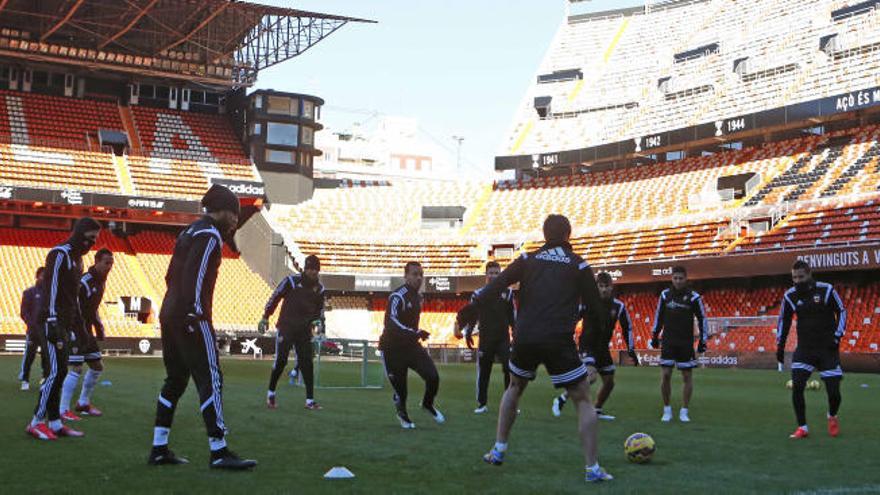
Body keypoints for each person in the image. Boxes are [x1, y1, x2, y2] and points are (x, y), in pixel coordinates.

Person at [457, 214, 613, 483]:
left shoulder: (528, 259)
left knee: (514, 388)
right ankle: (592, 468)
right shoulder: (578, 265)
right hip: (558, 339)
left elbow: (497, 283)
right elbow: (596, 311)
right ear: (568, 235)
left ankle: (498, 450)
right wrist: (590, 352)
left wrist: (472, 306)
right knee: (583, 399)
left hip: (526, 336)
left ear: (544, 234)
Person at [148, 184, 256, 469]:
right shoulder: (210, 236)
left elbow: (171, 275)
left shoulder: (188, 232)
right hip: (191, 317)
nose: (235, 219)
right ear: (219, 210)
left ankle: (159, 447)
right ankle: (218, 450)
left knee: (175, 380)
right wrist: (195, 311)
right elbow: (195, 277)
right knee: (211, 379)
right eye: (233, 213)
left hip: (169, 313)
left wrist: (177, 309)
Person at [26, 217, 101, 440]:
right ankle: (36, 422)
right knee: (54, 373)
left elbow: (72, 298)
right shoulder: (60, 254)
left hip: (64, 322)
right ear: (79, 234)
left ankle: (56, 422)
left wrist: (80, 328)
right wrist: (51, 321)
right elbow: (53, 289)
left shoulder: (77, 259)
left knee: (59, 374)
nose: (91, 244)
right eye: (89, 238)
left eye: (95, 240)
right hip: (51, 321)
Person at [552, 271, 638, 420]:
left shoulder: (619, 307)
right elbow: (572, 319)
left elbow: (627, 328)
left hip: (603, 348)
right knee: (591, 377)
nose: (604, 289)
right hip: (587, 345)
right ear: (596, 287)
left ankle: (597, 409)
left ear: (612, 287)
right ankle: (562, 398)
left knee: (609, 382)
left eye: (607, 286)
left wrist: (631, 349)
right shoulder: (588, 302)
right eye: (601, 286)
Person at [777, 260, 846, 439]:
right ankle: (803, 427)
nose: (798, 281)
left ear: (809, 274)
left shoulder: (826, 289)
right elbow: (783, 321)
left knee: (834, 392)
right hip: (805, 349)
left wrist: (837, 336)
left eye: (801, 277)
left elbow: (842, 311)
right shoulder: (790, 296)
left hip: (827, 349)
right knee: (797, 386)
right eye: (794, 278)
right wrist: (780, 346)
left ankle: (832, 415)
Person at [379, 261, 444, 429]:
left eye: (421, 274)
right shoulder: (397, 296)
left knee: (433, 377)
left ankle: (427, 404)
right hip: (392, 349)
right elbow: (391, 322)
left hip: (411, 347)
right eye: (415, 274)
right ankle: (403, 414)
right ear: (405, 276)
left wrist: (415, 334)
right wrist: (414, 333)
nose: (419, 278)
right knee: (402, 391)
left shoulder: (418, 297)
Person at [260, 255, 325, 410]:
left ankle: (309, 400)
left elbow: (319, 310)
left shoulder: (320, 289)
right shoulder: (291, 281)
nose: (312, 273)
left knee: (307, 363)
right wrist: (265, 316)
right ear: (305, 269)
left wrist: (318, 323)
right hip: (287, 326)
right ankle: (271, 393)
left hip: (304, 330)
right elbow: (275, 297)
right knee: (281, 360)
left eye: (315, 270)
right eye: (310, 269)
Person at [60, 248, 113, 420]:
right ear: (96, 261)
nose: (109, 266)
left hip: (87, 330)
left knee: (97, 366)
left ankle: (83, 403)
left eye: (111, 263)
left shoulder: (101, 282)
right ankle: (63, 409)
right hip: (75, 328)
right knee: (76, 367)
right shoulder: (84, 281)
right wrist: (74, 329)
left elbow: (93, 309)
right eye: (106, 262)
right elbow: (71, 306)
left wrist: (99, 328)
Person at [650, 265, 707, 423]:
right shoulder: (665, 295)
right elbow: (658, 316)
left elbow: (702, 319)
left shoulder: (693, 297)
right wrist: (654, 335)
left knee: (687, 376)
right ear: (671, 278)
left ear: (686, 279)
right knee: (666, 374)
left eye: (681, 278)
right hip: (668, 340)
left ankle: (684, 410)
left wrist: (703, 340)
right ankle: (667, 409)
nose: (678, 281)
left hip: (685, 342)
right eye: (675, 278)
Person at [460, 261, 515, 414]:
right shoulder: (478, 294)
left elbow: (512, 316)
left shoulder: (508, 293)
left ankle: (509, 404)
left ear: (500, 275)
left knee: (508, 369)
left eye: (496, 273)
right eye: (491, 273)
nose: (493, 276)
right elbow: (472, 316)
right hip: (485, 338)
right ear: (486, 275)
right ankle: (481, 404)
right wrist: (468, 332)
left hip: (503, 338)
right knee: (484, 372)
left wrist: (515, 333)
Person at [19, 267, 47, 391]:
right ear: (37, 276)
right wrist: (31, 324)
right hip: (33, 331)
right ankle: (25, 379)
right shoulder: (29, 292)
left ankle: (45, 379)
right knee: (29, 355)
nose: (44, 278)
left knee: (46, 357)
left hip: (46, 331)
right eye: (42, 275)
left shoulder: (50, 294)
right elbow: (24, 312)